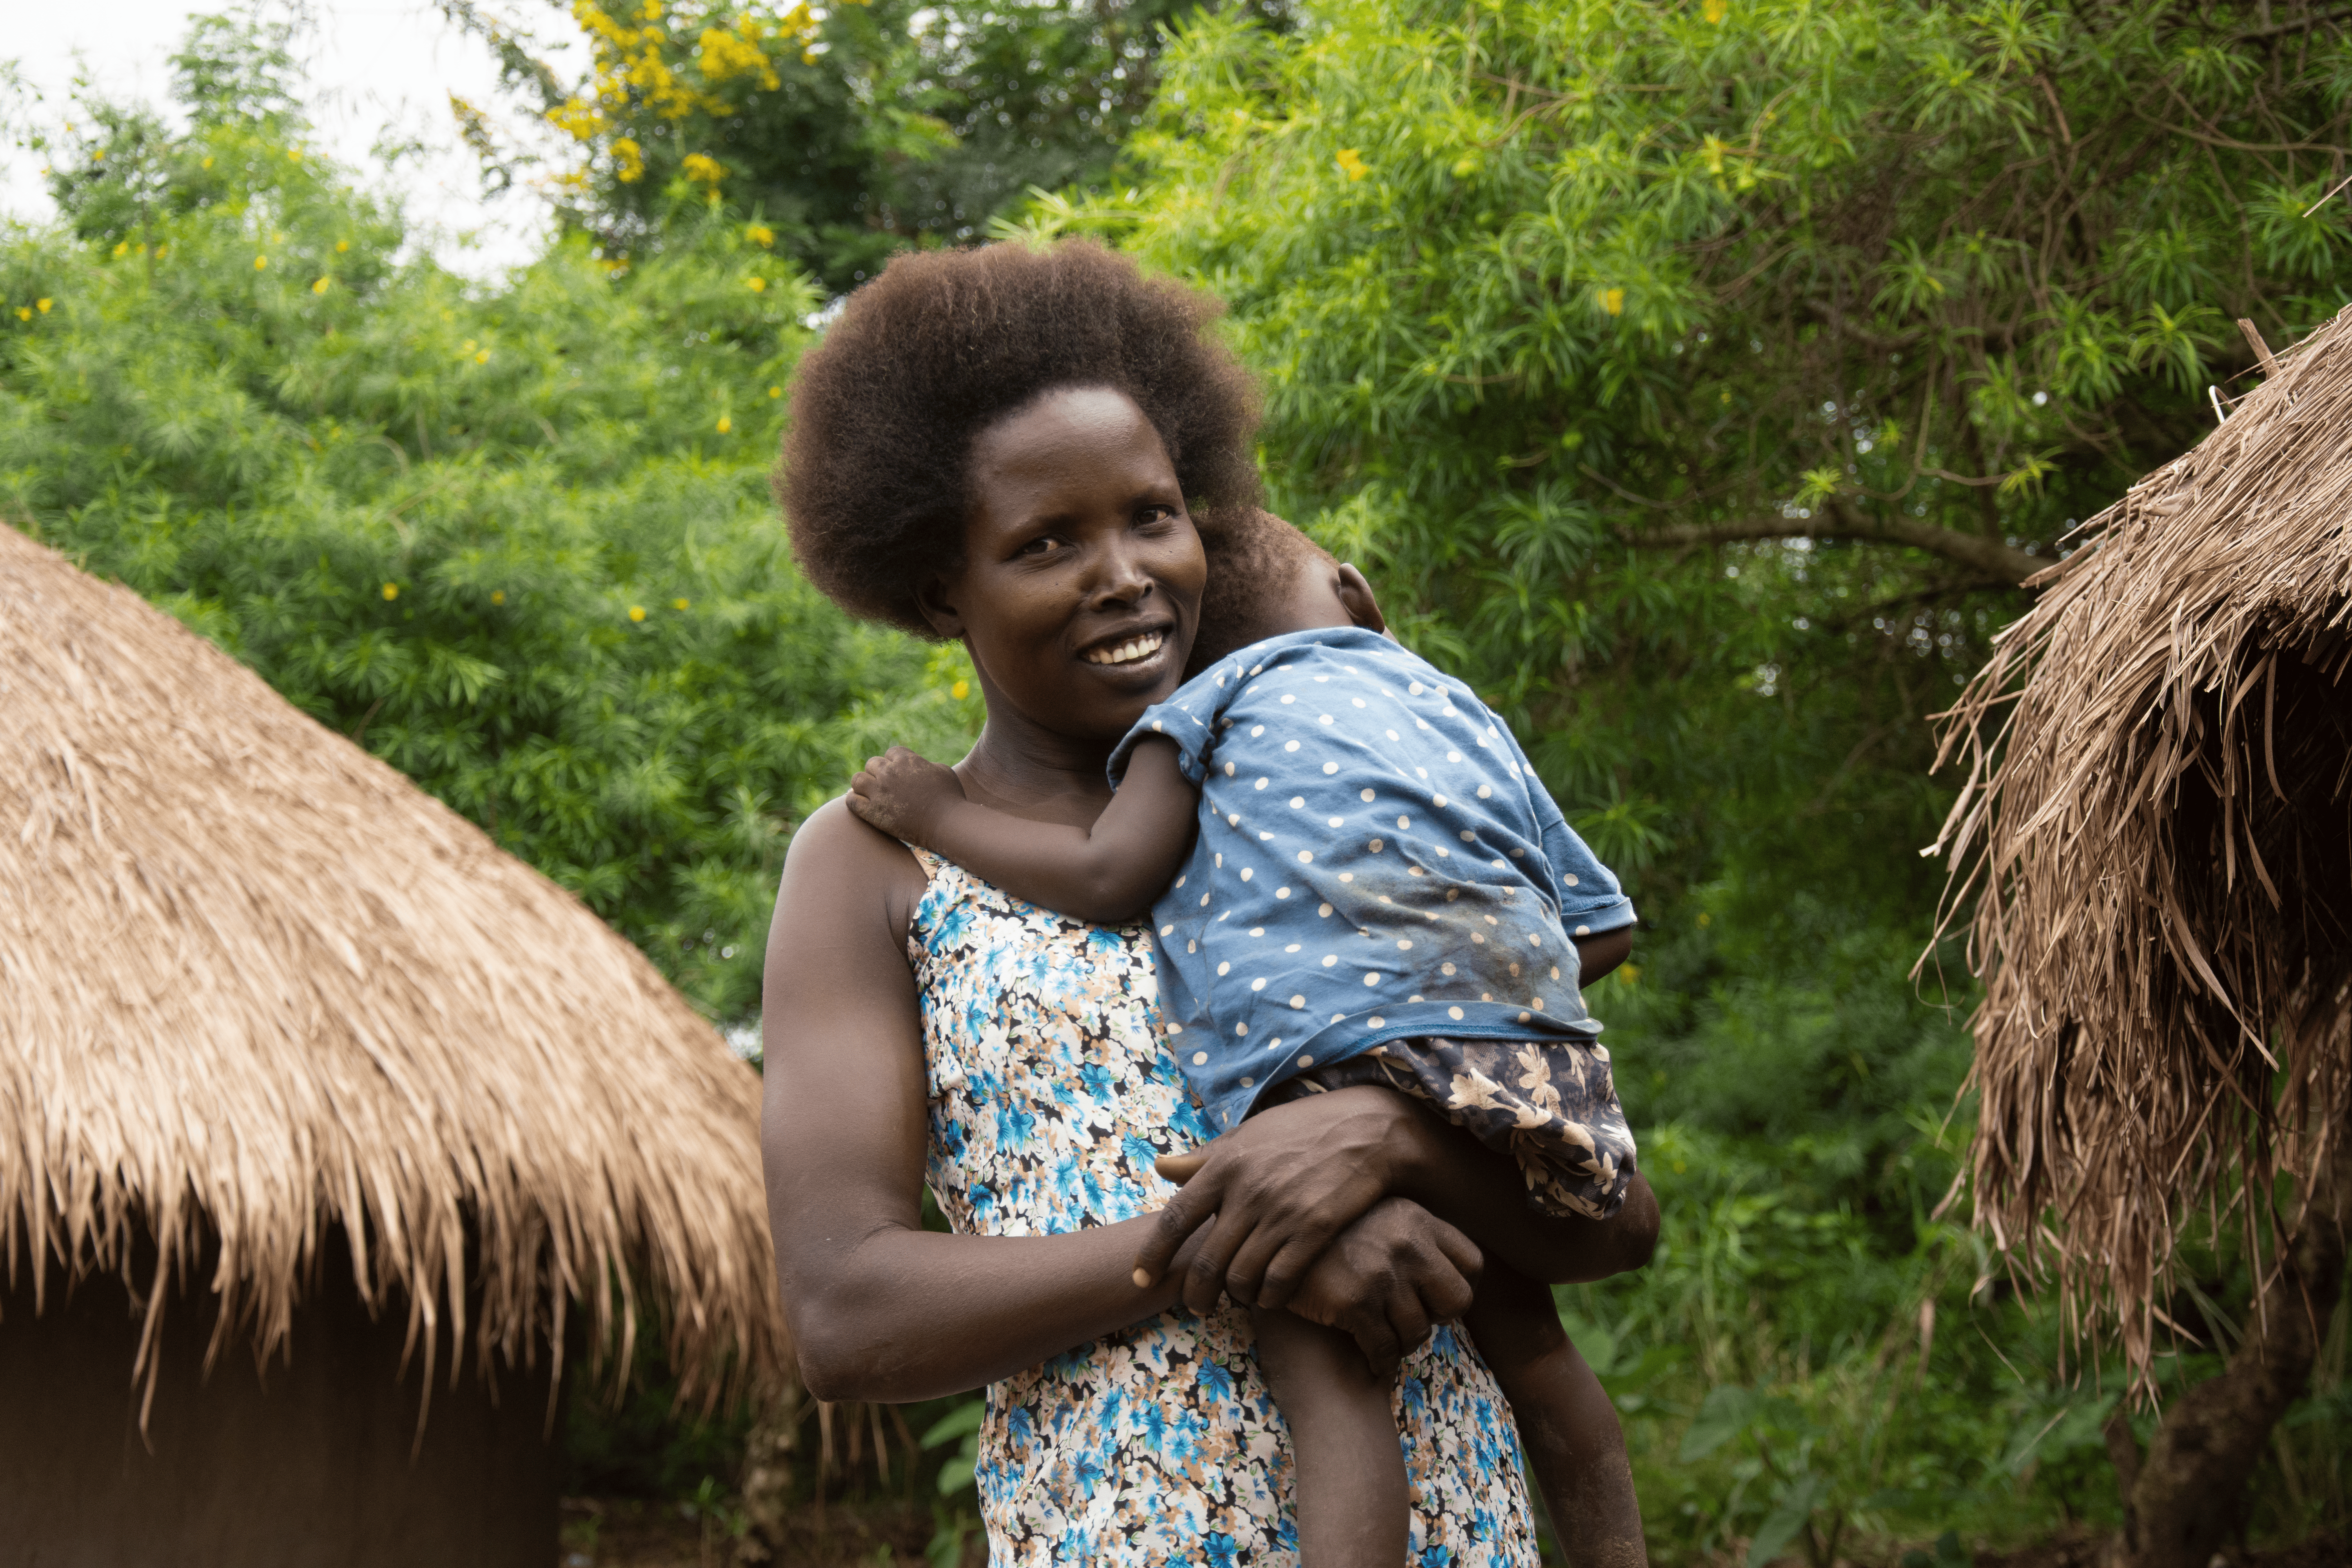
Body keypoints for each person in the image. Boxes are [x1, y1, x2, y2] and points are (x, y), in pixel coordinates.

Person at [761, 237, 1659, 1567]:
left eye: (1152, 516)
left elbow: (1611, 1215)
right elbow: (845, 1313)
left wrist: (1389, 1143)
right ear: (942, 586)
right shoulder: (874, 864)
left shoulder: (1331, 795)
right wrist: (1231, 1240)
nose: (1122, 573)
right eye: (1046, 540)